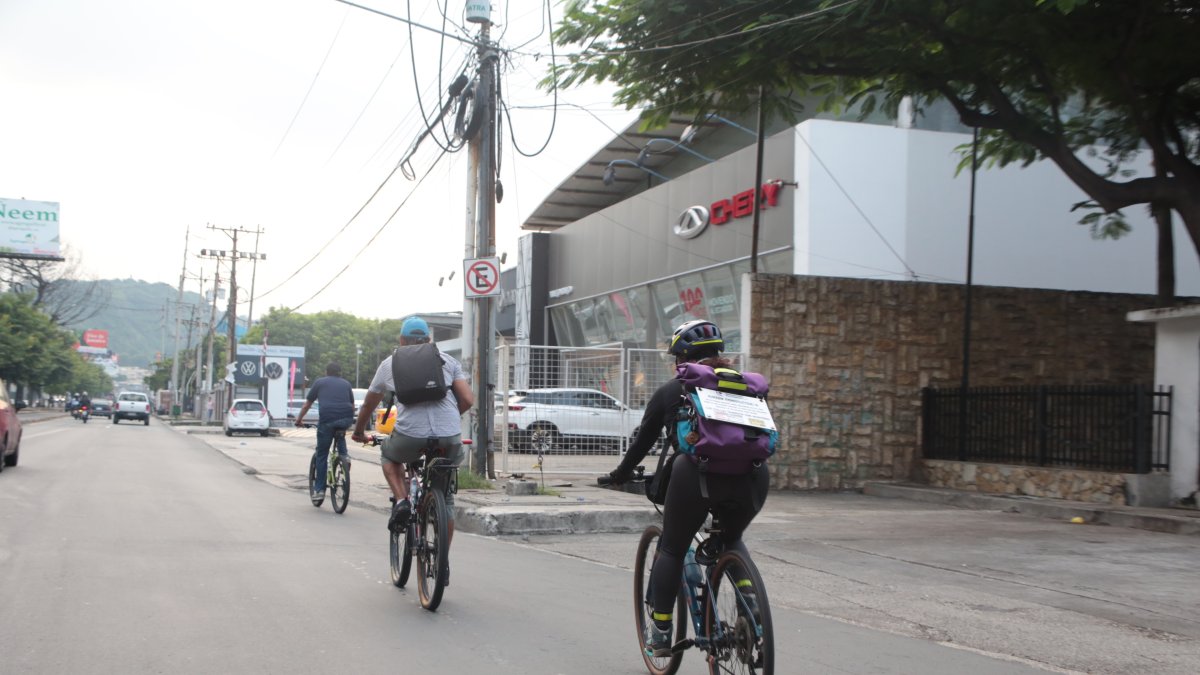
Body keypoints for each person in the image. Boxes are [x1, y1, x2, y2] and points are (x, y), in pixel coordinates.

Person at [606, 319, 770, 657]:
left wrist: (620, 474)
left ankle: (661, 632)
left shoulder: (673, 390)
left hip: (696, 474)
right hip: (753, 475)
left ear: (682, 358)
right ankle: (750, 604)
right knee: (732, 538)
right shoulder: (744, 385)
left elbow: (642, 443)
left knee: (672, 548)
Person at [352, 316, 474, 536]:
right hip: (449, 437)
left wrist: (359, 431)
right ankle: (442, 554)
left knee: (389, 455)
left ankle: (401, 501)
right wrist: (449, 421)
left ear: (401, 340)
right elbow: (467, 399)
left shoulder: (389, 364)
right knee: (446, 498)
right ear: (429, 339)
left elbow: (370, 403)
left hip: (410, 436)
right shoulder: (448, 361)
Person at [297, 363, 357, 500]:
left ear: (326, 372)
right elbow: (352, 406)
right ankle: (344, 456)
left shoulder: (319, 382)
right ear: (340, 373)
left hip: (327, 420)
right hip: (346, 419)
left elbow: (307, 405)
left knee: (322, 454)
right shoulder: (346, 384)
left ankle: (319, 490)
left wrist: (299, 419)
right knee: (340, 434)